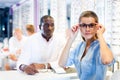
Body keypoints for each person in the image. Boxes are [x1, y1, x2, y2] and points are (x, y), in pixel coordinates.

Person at [59, 11, 115, 80]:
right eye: (83, 25)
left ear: (97, 27)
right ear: (79, 27)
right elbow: (62, 64)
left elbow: (107, 60)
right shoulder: (79, 47)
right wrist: (71, 39)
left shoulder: (102, 46)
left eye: (91, 25)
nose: (87, 29)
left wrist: (100, 34)